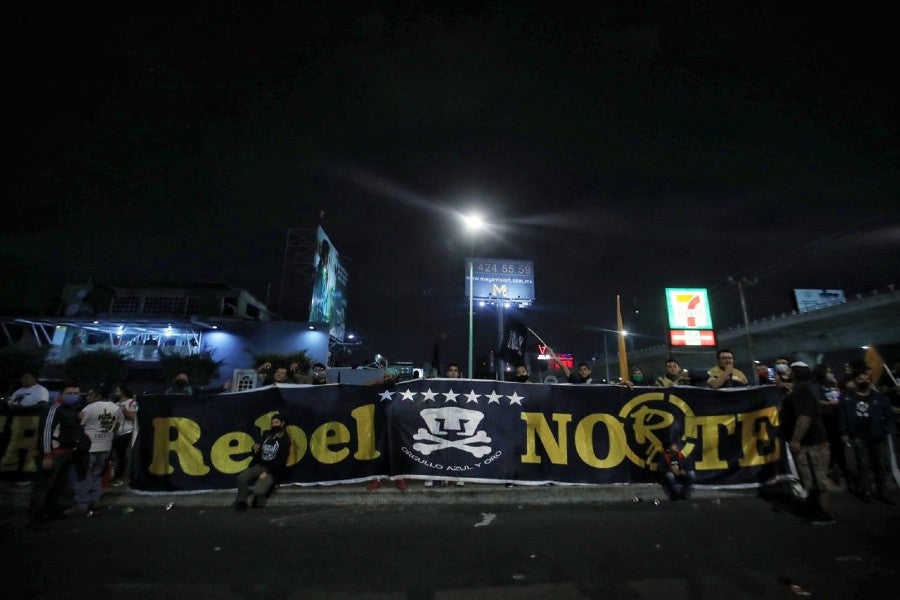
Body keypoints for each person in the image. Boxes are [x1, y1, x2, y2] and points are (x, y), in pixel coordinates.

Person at [780, 362, 835, 523]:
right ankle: (815, 510)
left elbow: (804, 416)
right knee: (812, 479)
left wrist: (796, 440)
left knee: (818, 480)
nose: (788, 372)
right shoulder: (802, 389)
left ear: (796, 373)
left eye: (791, 370)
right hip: (810, 442)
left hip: (811, 443)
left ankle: (823, 515)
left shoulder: (802, 391)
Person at [27, 385, 84, 527]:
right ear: (61, 394)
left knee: (59, 486)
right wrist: (47, 455)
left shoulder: (73, 409)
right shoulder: (54, 408)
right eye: (69, 393)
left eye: (76, 393)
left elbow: (69, 430)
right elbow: (46, 432)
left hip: (66, 453)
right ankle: (35, 518)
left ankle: (50, 512)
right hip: (54, 454)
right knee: (43, 487)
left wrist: (78, 421)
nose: (73, 395)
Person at [838, 369, 896, 504]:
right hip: (858, 436)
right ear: (855, 381)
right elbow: (842, 418)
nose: (864, 380)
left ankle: (881, 491)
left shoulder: (879, 397)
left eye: (866, 378)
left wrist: (885, 430)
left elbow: (889, 415)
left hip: (877, 435)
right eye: (860, 378)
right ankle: (866, 491)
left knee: (880, 465)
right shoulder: (847, 397)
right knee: (863, 465)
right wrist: (844, 433)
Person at [68, 386, 123, 515]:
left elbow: (79, 426)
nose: (88, 398)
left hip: (90, 447)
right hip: (106, 445)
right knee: (97, 474)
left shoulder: (89, 408)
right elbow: (118, 425)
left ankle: (81, 503)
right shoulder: (116, 408)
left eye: (90, 395)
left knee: (83, 474)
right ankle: (95, 499)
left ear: (98, 396)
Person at [234, 413, 294, 510]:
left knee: (258, 491)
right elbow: (257, 449)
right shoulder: (266, 434)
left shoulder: (285, 440)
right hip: (259, 465)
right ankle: (241, 499)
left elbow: (281, 461)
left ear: (282, 424)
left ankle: (264, 494)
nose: (274, 424)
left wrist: (267, 472)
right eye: (272, 423)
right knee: (242, 477)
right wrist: (254, 447)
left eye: (276, 422)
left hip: (272, 470)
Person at [110, 385, 138, 487]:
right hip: (115, 433)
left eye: (118, 389)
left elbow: (134, 417)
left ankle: (120, 477)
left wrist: (124, 411)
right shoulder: (115, 404)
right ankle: (114, 475)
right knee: (115, 456)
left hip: (127, 432)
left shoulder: (132, 402)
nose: (116, 391)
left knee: (123, 456)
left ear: (123, 391)